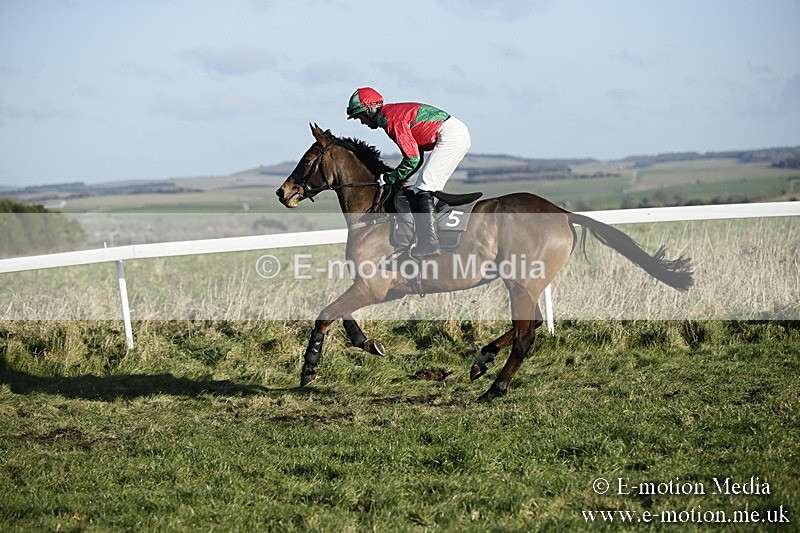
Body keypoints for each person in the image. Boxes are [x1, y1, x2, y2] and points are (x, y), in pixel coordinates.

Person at [346, 87, 471, 259]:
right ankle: (430, 234)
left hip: (450, 135)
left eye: (359, 116)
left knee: (424, 188)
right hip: (453, 133)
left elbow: (412, 159)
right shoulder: (390, 115)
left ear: (368, 109)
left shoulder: (391, 120)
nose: (362, 122)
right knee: (421, 188)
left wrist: (390, 178)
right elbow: (416, 158)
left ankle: (429, 244)